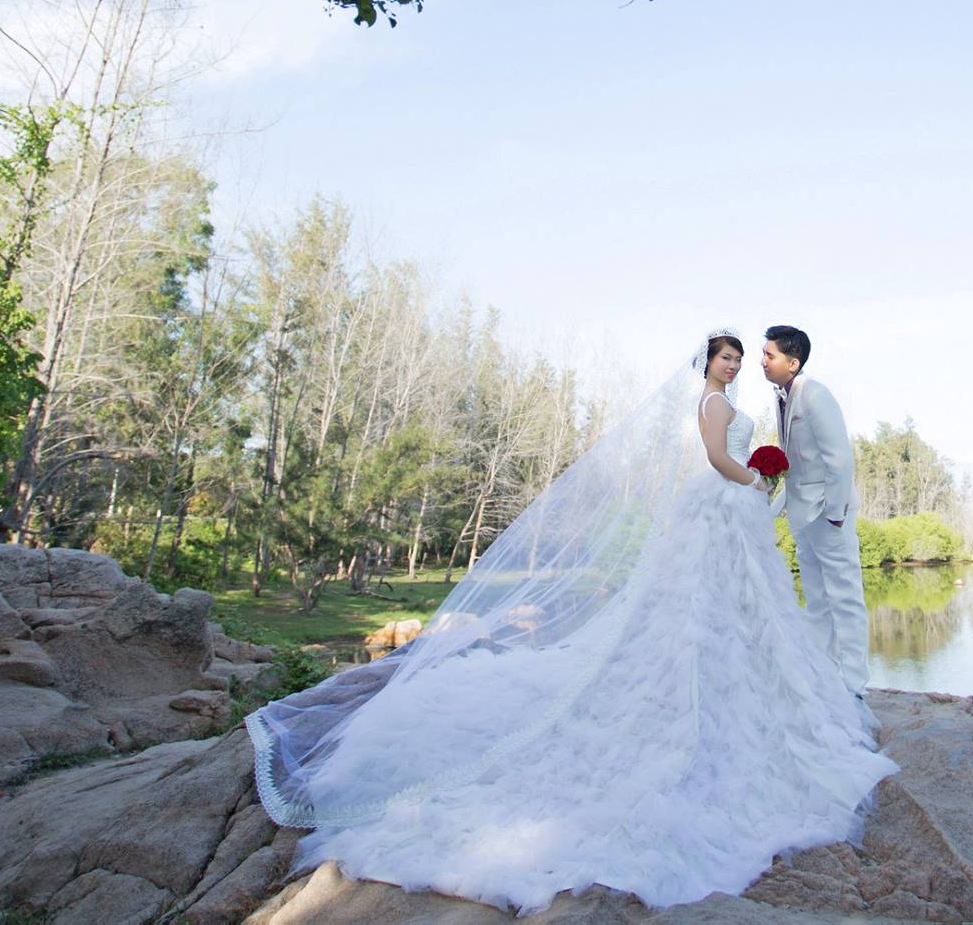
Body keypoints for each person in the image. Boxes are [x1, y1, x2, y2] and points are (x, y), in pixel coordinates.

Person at [244, 329, 895, 914]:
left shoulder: (747, 399)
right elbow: (717, 459)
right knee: (702, 606)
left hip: (730, 512)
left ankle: (749, 674)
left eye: (740, 358)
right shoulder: (712, 405)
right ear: (709, 362)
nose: (736, 365)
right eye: (727, 357)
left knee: (742, 607)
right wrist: (756, 478)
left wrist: (759, 476)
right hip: (723, 502)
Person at [760, 324, 869, 698]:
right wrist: (776, 509)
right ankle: (823, 675)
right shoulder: (782, 396)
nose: (763, 361)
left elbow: (839, 459)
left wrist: (836, 514)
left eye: (769, 355)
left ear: (792, 363)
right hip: (801, 514)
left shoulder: (816, 395)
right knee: (816, 597)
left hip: (828, 512)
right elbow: (795, 463)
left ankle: (856, 684)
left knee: (846, 595)